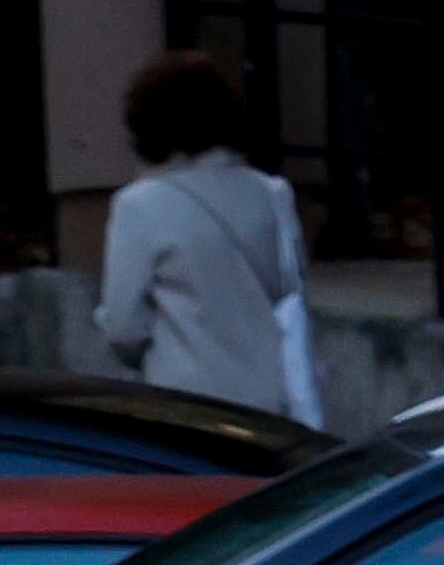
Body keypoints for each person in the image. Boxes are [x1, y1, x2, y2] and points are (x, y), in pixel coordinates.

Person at [95, 50, 322, 428]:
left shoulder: (138, 206)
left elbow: (124, 328)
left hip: (189, 409)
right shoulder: (272, 194)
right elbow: (291, 292)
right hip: (273, 408)